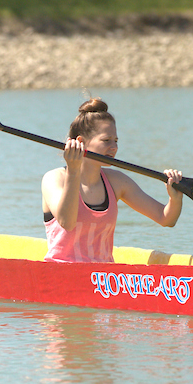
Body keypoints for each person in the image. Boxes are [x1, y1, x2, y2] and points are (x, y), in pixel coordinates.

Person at [41, 98, 182, 262]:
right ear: (81, 143)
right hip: (60, 276)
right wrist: (73, 171)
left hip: (103, 281)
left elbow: (166, 219)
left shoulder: (117, 182)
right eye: (106, 140)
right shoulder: (54, 179)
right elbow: (67, 222)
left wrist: (175, 198)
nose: (114, 147)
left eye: (115, 141)